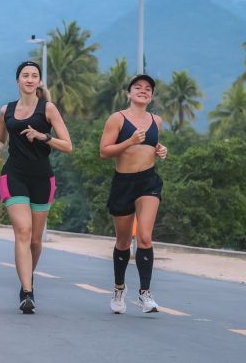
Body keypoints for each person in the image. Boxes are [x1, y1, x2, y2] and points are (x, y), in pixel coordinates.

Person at [0, 61, 72, 314]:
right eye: (25, 75)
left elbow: (68, 145)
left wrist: (43, 137)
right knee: (23, 232)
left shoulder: (47, 109)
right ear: (18, 80)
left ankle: (28, 277)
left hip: (42, 178)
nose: (29, 79)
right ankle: (27, 292)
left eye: (34, 76)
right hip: (14, 175)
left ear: (38, 82)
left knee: (35, 240)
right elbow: (0, 137)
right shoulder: (7, 110)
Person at [99, 74, 168, 314]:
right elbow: (105, 151)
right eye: (137, 87)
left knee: (145, 237)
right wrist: (128, 141)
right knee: (123, 241)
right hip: (123, 183)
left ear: (151, 95)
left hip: (148, 182)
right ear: (129, 94)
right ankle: (119, 289)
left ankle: (145, 294)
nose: (143, 91)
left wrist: (160, 150)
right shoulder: (117, 119)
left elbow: (151, 146)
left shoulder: (156, 121)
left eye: (148, 88)